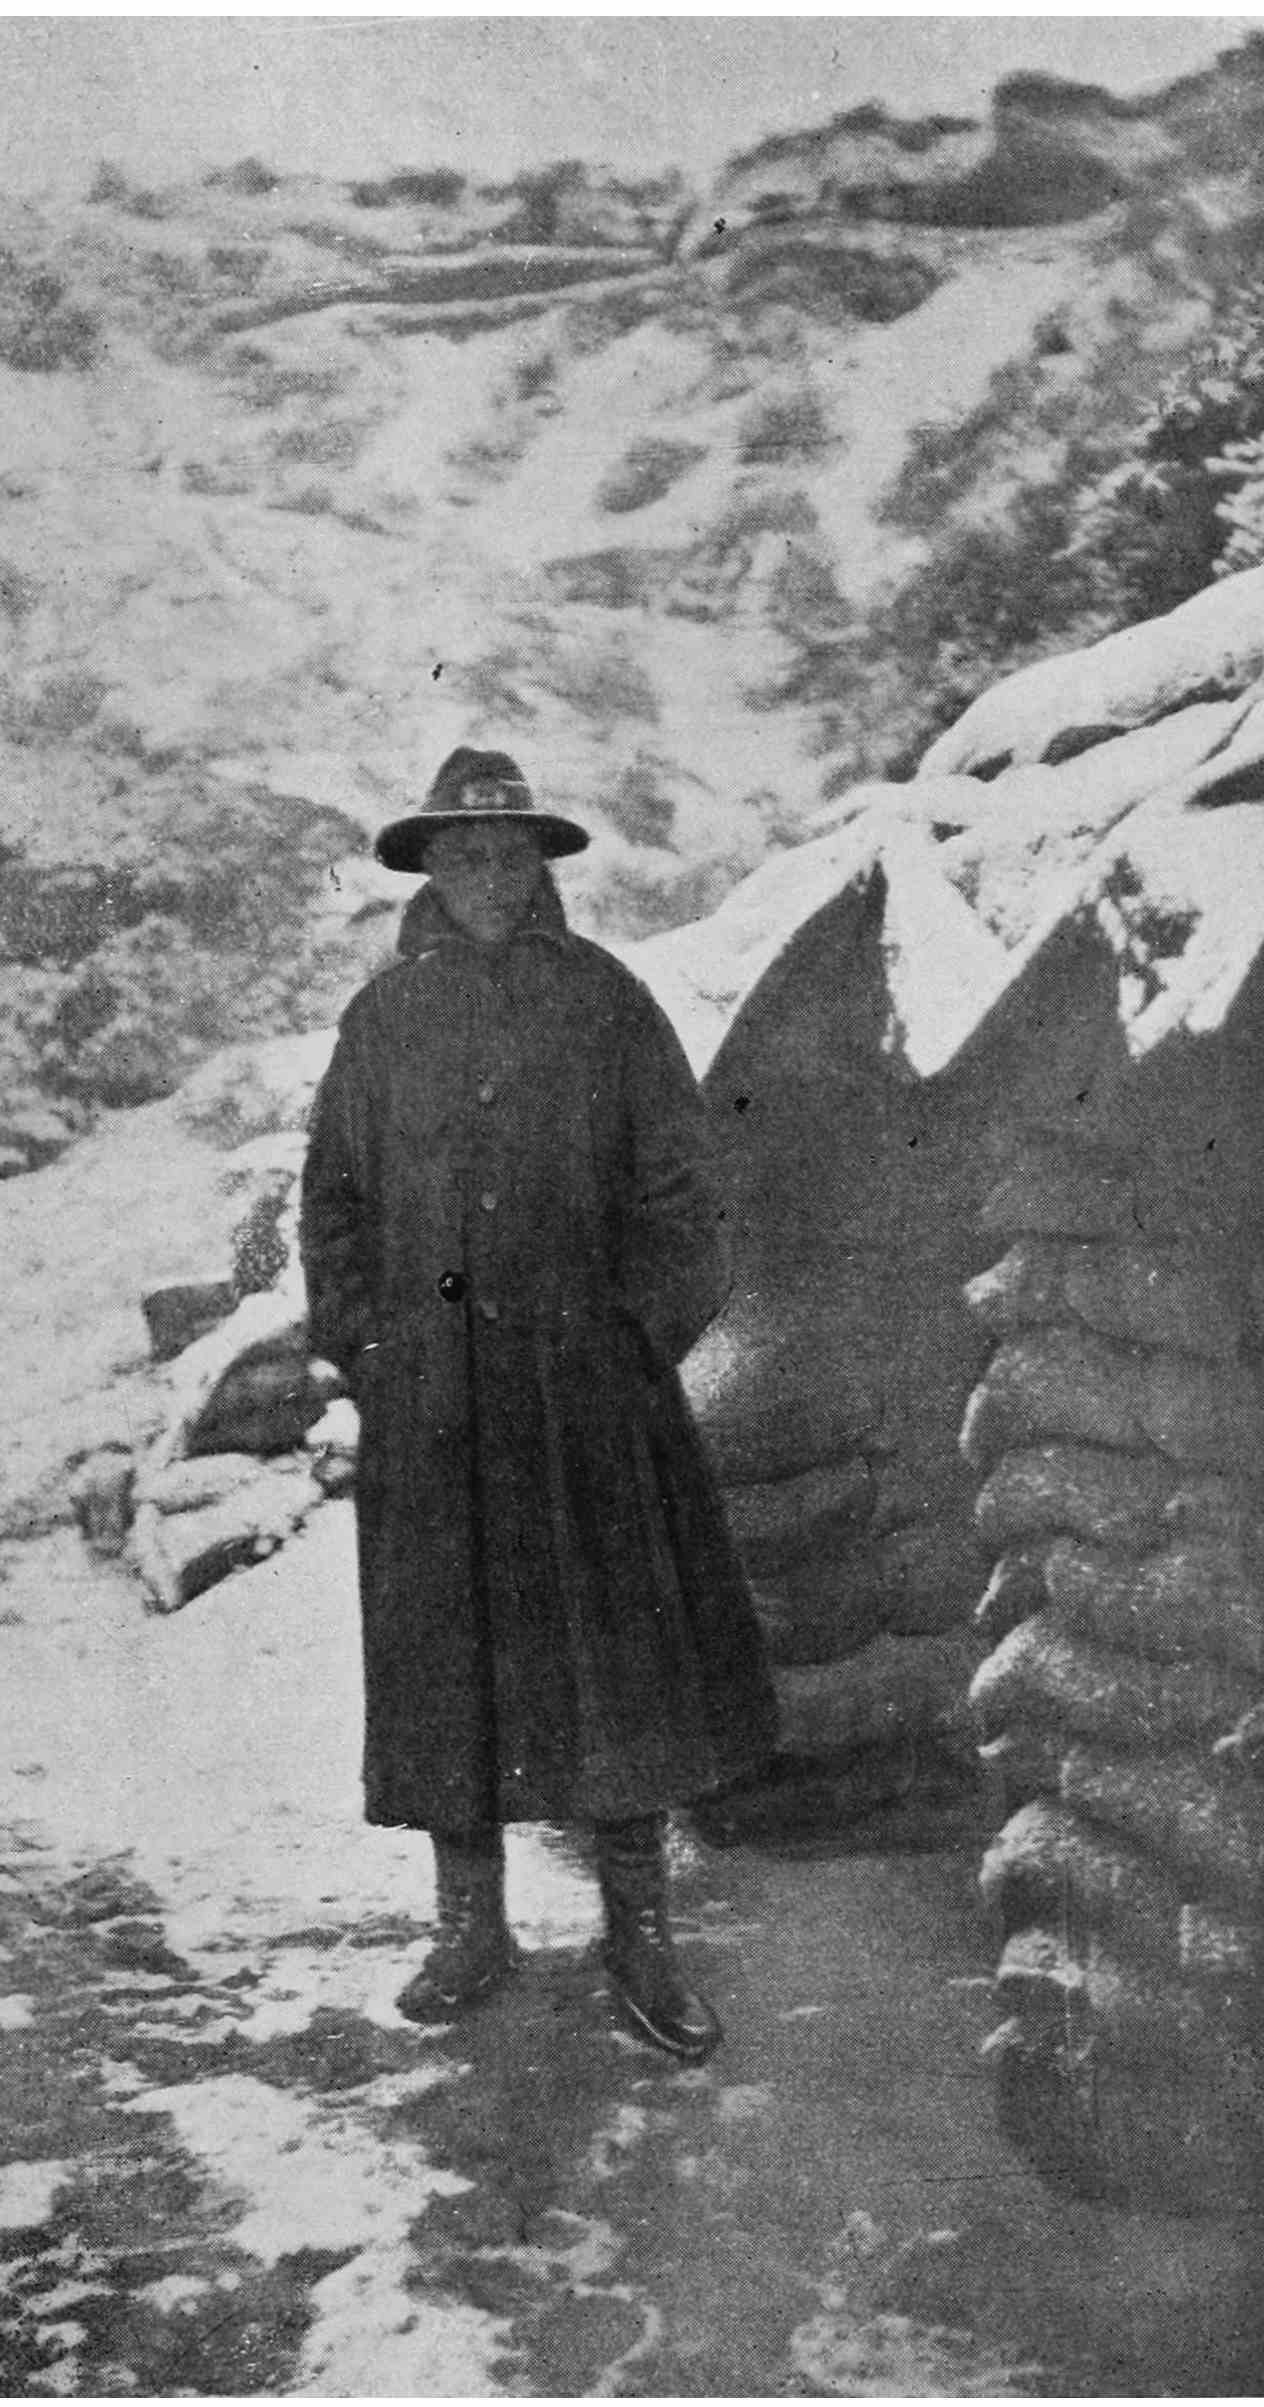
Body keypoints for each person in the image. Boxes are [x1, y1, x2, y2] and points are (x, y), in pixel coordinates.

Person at [299, 745, 777, 2063]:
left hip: (585, 1400)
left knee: (618, 1662)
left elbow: (685, 1196)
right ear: (430, 871)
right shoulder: (381, 1021)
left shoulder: (608, 1003)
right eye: (462, 854)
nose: (488, 875)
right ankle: (470, 1928)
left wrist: (633, 1339)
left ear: (539, 865)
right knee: (448, 1657)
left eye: (508, 852)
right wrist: (372, 1346)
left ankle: (641, 1934)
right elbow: (332, 1201)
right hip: (434, 1405)